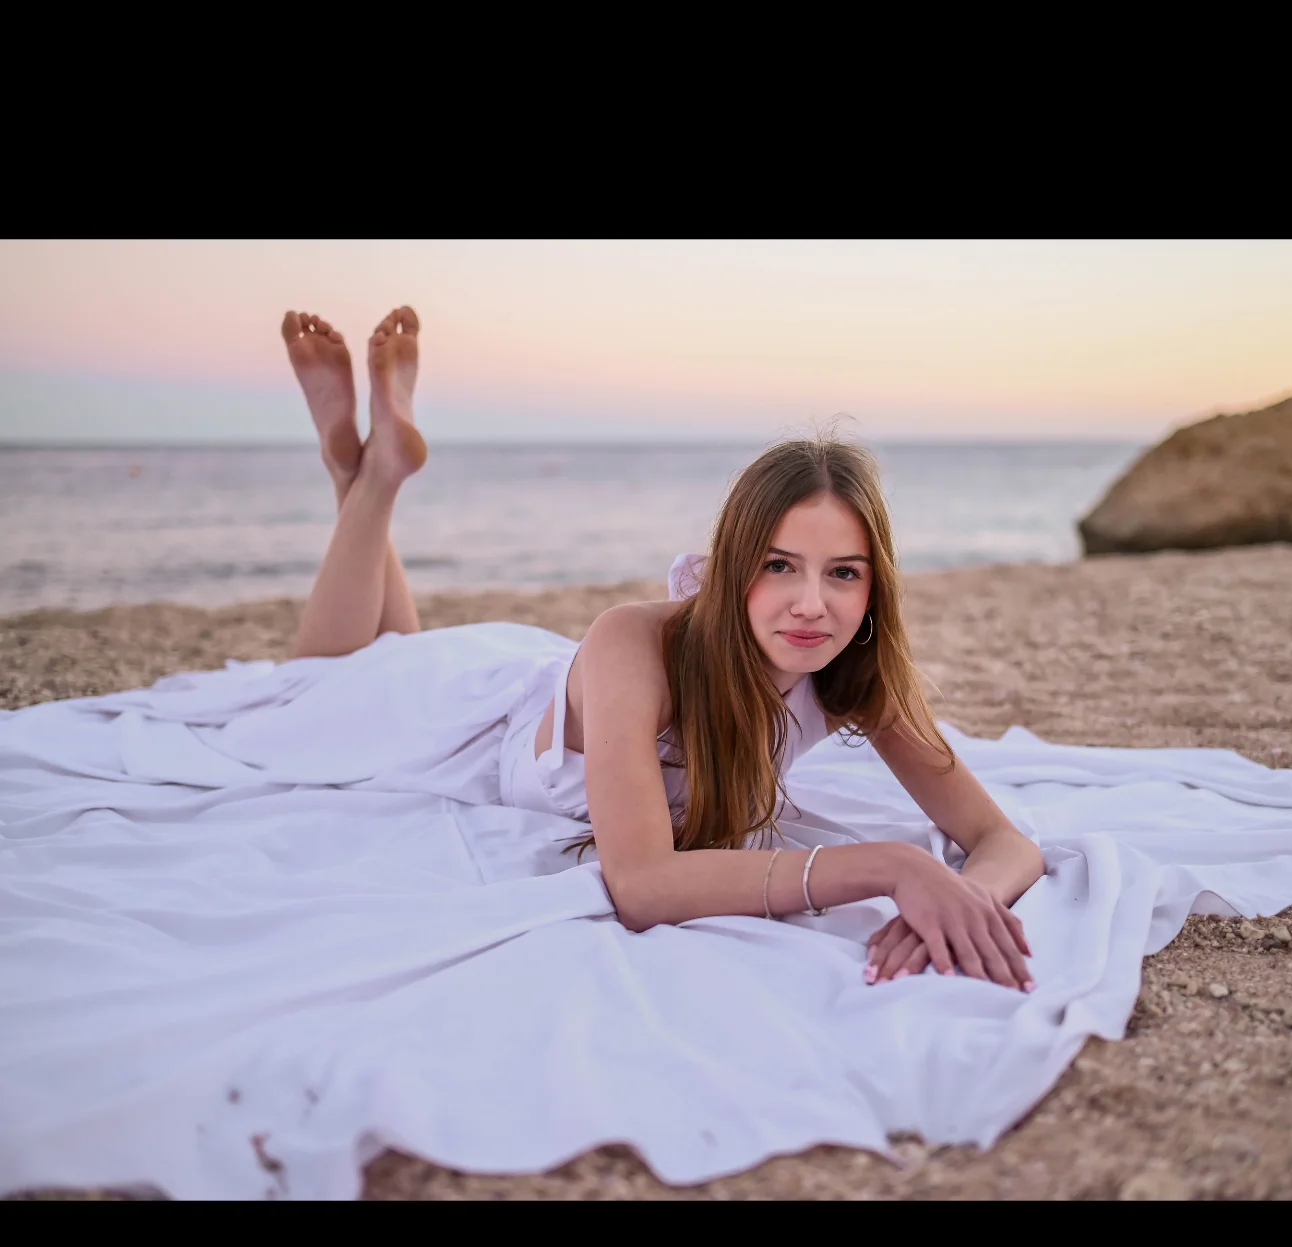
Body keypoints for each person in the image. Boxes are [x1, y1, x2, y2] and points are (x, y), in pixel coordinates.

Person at [282, 307, 1046, 989]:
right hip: (475, 728)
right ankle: (368, 475)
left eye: (843, 573)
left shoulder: (853, 664)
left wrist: (956, 903)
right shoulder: (633, 639)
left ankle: (363, 470)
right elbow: (642, 883)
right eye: (779, 565)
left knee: (391, 656)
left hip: (556, 696)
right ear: (734, 562)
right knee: (326, 685)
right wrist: (894, 867)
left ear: (873, 587)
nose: (812, 604)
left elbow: (1002, 841)